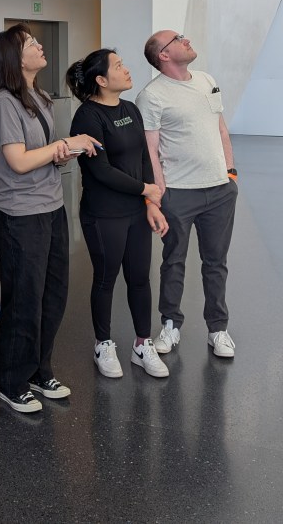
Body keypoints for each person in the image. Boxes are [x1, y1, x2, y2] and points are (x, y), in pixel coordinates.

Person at [0, 24, 98, 413]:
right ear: (14, 58)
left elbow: (40, 153)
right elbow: (17, 161)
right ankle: (12, 382)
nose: (40, 46)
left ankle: (38, 370)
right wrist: (64, 144)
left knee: (53, 295)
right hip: (19, 215)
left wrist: (61, 152)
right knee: (24, 301)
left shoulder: (40, 97)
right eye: (31, 43)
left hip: (50, 205)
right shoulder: (4, 102)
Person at [66, 49, 170, 379]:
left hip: (136, 211)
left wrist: (150, 202)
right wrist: (146, 190)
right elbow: (101, 170)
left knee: (140, 278)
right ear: (101, 79)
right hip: (104, 214)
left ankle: (142, 344)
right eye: (119, 66)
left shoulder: (130, 109)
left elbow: (143, 157)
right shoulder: (87, 117)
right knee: (105, 278)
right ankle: (103, 344)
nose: (126, 70)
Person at [136, 30, 239, 359]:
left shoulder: (207, 80)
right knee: (174, 262)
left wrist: (230, 172)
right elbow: (150, 150)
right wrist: (159, 194)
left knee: (216, 263)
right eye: (178, 39)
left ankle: (218, 328)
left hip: (220, 190)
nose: (186, 39)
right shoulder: (151, 96)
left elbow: (220, 127)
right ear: (163, 55)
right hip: (178, 193)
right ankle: (170, 324)